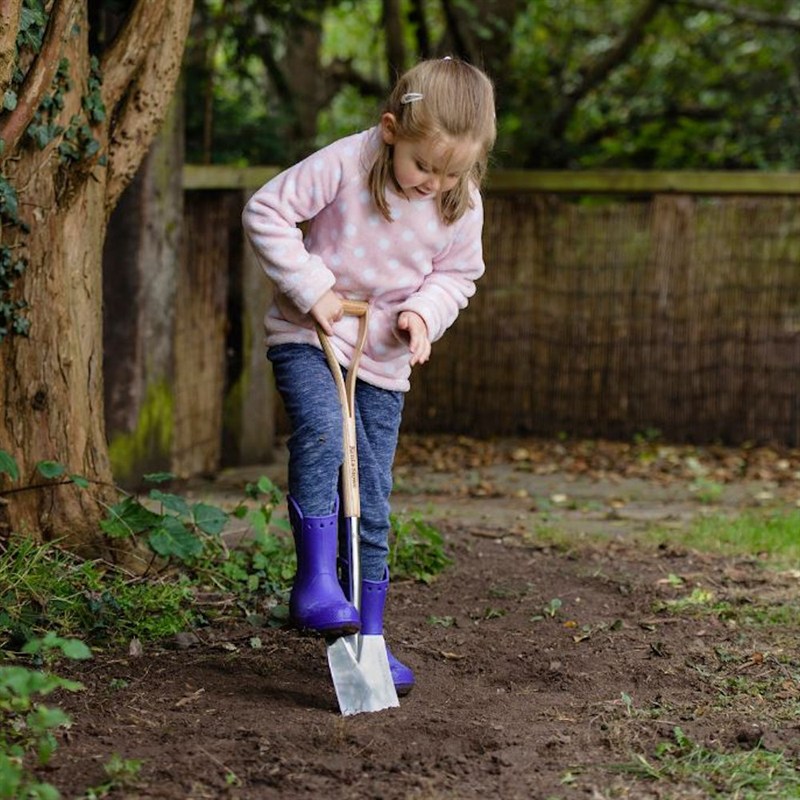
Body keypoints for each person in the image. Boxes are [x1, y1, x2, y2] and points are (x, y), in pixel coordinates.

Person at [242, 57, 496, 697]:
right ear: (390, 129)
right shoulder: (346, 164)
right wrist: (312, 289)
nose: (432, 183)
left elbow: (458, 276)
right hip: (313, 337)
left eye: (452, 172)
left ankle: (370, 639)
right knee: (325, 431)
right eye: (423, 165)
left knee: (374, 492)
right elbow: (266, 211)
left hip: (382, 362)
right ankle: (316, 582)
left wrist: (423, 315)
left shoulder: (459, 204)